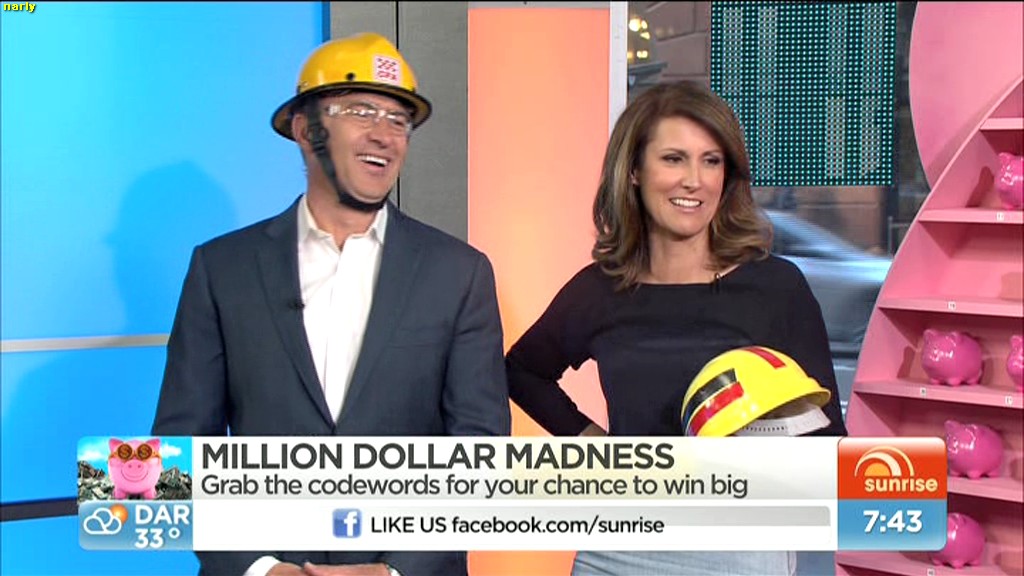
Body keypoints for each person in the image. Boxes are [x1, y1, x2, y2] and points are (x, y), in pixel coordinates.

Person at [152, 32, 510, 576]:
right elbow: (179, 451)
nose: (384, 134)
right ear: (305, 130)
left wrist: (394, 569)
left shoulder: (459, 272)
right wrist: (260, 567)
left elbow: (482, 452)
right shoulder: (222, 268)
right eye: (362, 111)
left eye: (399, 120)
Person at [505, 80, 847, 575]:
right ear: (635, 171)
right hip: (620, 544)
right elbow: (521, 371)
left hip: (741, 548)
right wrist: (595, 446)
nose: (694, 180)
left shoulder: (776, 287)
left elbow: (826, 436)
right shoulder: (600, 290)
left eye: (711, 161)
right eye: (674, 159)